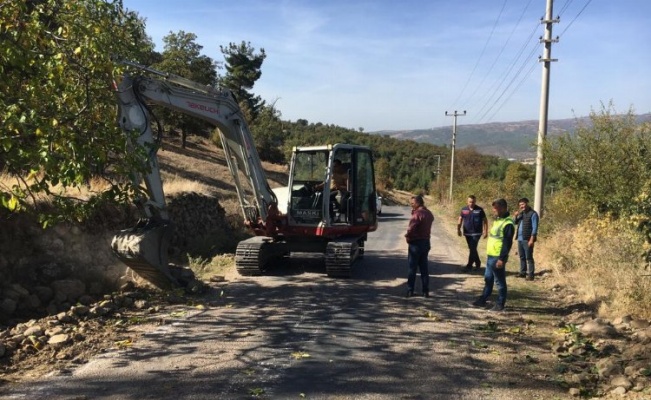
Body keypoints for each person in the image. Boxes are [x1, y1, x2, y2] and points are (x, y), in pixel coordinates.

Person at [472, 198, 514, 312]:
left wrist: (502, 259)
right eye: (493, 208)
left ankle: (500, 304)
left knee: (499, 282)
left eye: (496, 208)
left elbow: (507, 243)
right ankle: (483, 299)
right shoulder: (498, 220)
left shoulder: (508, 223)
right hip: (491, 255)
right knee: (488, 278)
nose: (494, 210)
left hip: (498, 257)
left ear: (504, 208)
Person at [404, 195, 435, 298]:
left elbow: (411, 228)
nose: (411, 205)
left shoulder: (417, 214)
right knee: (424, 268)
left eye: (412, 203)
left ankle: (410, 290)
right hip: (426, 243)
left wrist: (408, 237)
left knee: (412, 268)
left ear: (418, 203)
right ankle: (425, 291)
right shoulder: (429, 213)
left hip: (416, 244)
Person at [457, 195, 488, 272]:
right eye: (470, 202)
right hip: (467, 233)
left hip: (477, 233)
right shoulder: (464, 209)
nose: (472, 203)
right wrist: (458, 229)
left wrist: (486, 231)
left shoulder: (480, 210)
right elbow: (460, 219)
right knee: (472, 249)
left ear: (475, 201)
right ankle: (478, 263)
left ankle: (469, 265)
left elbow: (485, 220)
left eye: (473, 202)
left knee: (473, 248)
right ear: (467, 202)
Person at [513, 197, 539, 281]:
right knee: (522, 256)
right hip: (520, 238)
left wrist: (532, 239)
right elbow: (515, 222)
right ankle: (523, 273)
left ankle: (531, 275)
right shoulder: (522, 213)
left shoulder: (533, 214)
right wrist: (515, 216)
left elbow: (535, 228)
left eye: (523, 204)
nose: (522, 206)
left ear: (527, 203)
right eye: (520, 205)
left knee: (529, 257)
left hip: (527, 239)